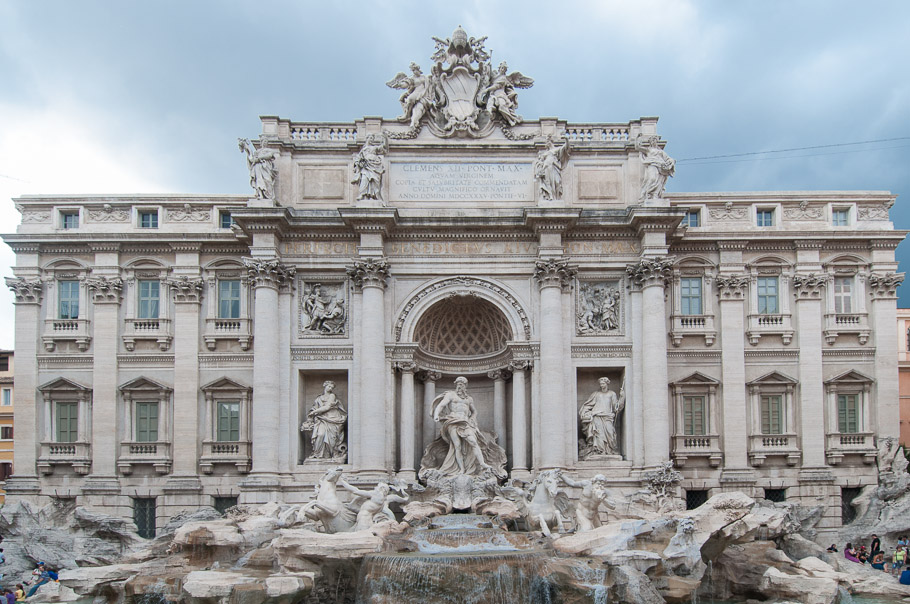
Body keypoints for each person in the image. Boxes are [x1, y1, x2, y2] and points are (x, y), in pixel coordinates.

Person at [432, 377, 491, 475]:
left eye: (462, 384)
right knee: (457, 446)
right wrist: (436, 415)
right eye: (458, 384)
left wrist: (472, 418)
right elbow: (441, 405)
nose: (460, 386)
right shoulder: (450, 395)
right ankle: (461, 469)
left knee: (473, 441)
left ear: (465, 386)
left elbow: (474, 411)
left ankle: (482, 463)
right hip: (453, 421)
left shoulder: (469, 399)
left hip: (465, 422)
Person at [579, 377, 626, 456]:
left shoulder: (612, 394)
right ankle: (600, 452)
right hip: (597, 416)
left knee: (610, 433)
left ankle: (610, 450)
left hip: (608, 417)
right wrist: (585, 412)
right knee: (598, 435)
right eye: (600, 384)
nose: (602, 385)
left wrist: (622, 397)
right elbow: (588, 405)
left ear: (607, 383)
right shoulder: (596, 394)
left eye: (603, 383)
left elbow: (616, 407)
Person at [304, 381, 347, 459]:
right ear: (325, 386)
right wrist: (312, 414)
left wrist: (314, 412)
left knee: (332, 438)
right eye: (329, 386)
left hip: (332, 418)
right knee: (320, 434)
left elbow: (327, 407)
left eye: (332, 387)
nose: (330, 388)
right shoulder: (319, 398)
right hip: (321, 419)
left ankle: (329, 455)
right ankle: (317, 454)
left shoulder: (332, 396)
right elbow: (314, 407)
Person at [351, 134, 386, 202]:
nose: (371, 139)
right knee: (364, 179)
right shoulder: (363, 150)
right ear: (367, 138)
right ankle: (363, 194)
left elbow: (384, 148)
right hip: (366, 166)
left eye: (372, 138)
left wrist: (385, 139)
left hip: (375, 165)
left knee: (375, 180)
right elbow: (357, 159)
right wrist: (359, 163)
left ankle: (376, 195)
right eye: (370, 138)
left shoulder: (374, 148)